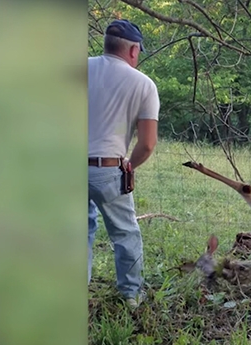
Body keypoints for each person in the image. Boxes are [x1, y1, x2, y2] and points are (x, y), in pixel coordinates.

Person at [87, 19, 160, 308]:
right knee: (125, 233)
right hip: (108, 168)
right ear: (132, 50)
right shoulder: (143, 84)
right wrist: (130, 165)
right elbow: (147, 143)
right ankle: (131, 296)